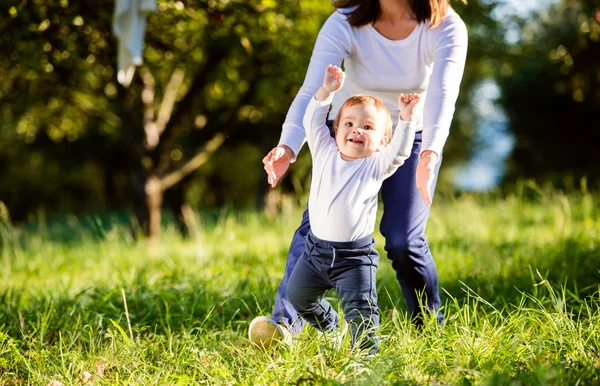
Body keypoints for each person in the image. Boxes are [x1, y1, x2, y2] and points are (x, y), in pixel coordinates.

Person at [249, 0, 468, 347]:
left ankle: (429, 327)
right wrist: (287, 147)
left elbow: (443, 95)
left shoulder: (445, 27)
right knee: (315, 229)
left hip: (411, 138)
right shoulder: (346, 22)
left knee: (403, 240)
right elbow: (312, 89)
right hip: (351, 134)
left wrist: (430, 153)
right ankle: (284, 326)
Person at [280, 64, 418, 353]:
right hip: (315, 252)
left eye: (368, 127)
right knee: (297, 297)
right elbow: (311, 120)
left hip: (354, 258)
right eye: (349, 123)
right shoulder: (324, 150)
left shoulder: (376, 165)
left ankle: (365, 359)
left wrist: (406, 120)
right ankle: (329, 325)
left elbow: (402, 151)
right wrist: (326, 91)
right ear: (336, 128)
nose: (357, 130)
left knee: (360, 311)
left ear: (381, 142)